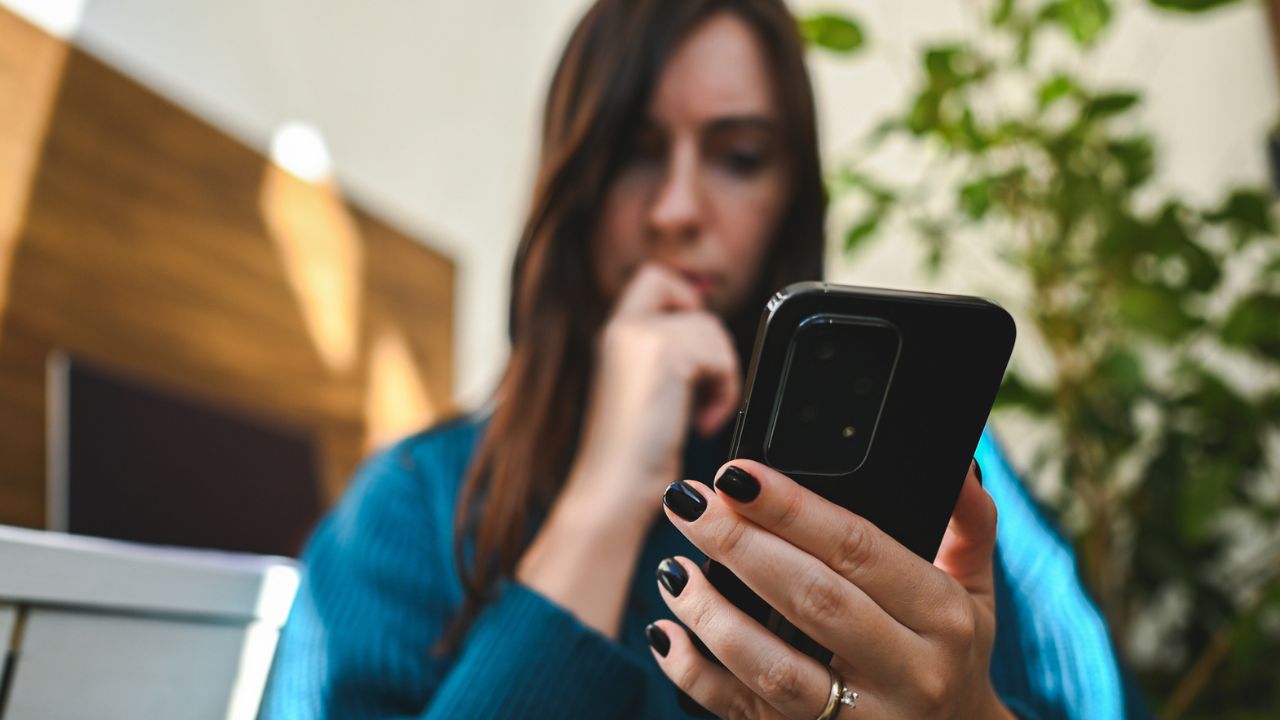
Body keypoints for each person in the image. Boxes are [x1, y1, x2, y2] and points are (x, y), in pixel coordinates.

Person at [261, 0, 1149, 718]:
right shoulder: (411, 503)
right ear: (574, 185)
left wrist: (964, 714)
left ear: (792, 196)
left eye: (739, 157)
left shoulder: (948, 477)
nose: (677, 210)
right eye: (634, 155)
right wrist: (606, 495)